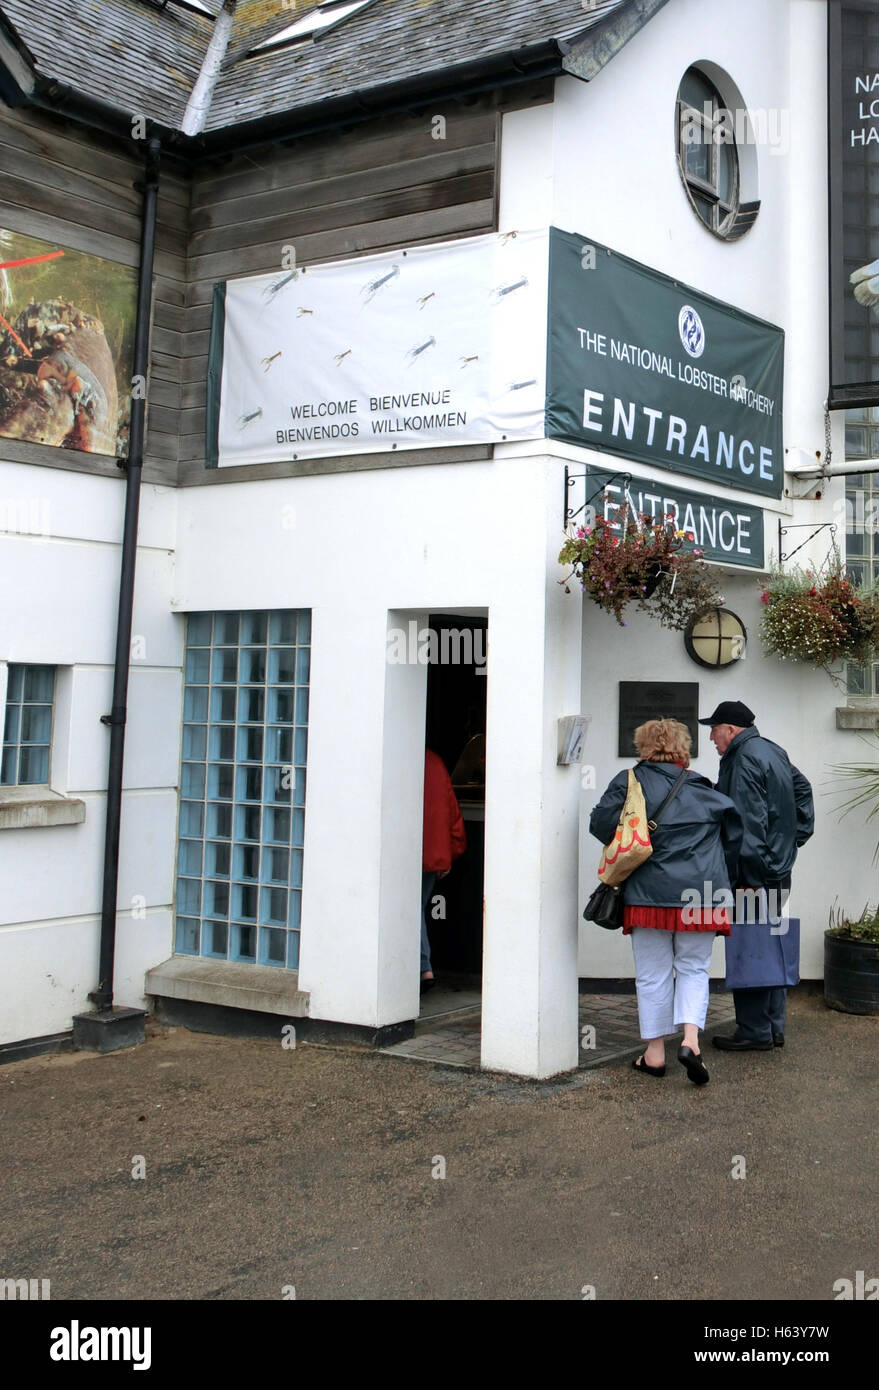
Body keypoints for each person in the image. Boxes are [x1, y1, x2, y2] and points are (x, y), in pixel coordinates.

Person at [589, 718, 742, 1085]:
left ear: (643, 747)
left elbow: (599, 825)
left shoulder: (628, 782)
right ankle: (691, 1042)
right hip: (701, 896)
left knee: (653, 974)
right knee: (693, 968)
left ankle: (655, 1054)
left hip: (648, 893)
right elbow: (734, 833)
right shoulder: (703, 788)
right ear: (683, 748)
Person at [699, 701, 814, 1052]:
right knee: (771, 944)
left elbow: (744, 823)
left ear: (730, 730)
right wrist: (792, 842)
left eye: (714, 730)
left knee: (750, 946)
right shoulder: (771, 750)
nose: (711, 739)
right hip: (777, 869)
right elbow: (803, 790)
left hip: (755, 873)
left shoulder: (742, 758)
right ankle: (773, 1027)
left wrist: (748, 872)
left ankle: (753, 1030)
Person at [421, 749, 467, 994]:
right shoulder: (435, 762)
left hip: (406, 850)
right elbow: (451, 809)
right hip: (433, 851)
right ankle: (423, 968)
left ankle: (422, 968)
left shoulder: (399, 758)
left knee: (409, 910)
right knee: (417, 909)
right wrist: (449, 850)